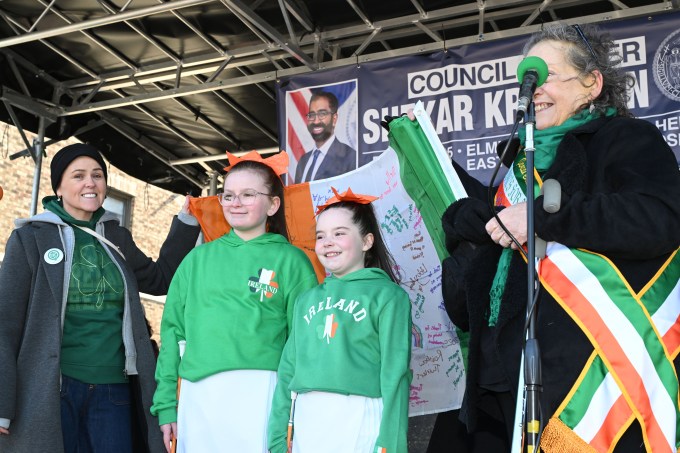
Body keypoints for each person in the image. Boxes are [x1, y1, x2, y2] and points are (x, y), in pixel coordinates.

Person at [441, 23, 680, 452]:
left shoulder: (625, 139)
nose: (531, 87)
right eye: (525, 79)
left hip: (586, 383)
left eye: (545, 75)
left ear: (591, 83)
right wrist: (466, 237)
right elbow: (472, 303)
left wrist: (544, 218)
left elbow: (658, 219)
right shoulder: (514, 168)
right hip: (497, 387)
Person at [0, 143, 201, 453]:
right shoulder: (31, 237)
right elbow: (5, 323)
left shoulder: (116, 237)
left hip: (114, 389)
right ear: (58, 186)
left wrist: (187, 223)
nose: (90, 183)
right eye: (78, 175)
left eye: (97, 175)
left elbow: (160, 280)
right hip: (52, 389)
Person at [151, 152, 318, 453]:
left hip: (265, 396)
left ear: (273, 204)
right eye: (228, 195)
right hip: (197, 396)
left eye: (248, 194)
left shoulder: (293, 262)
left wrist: (297, 411)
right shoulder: (196, 260)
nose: (235, 203)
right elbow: (172, 334)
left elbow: (304, 344)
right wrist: (166, 404)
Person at [268, 187, 412, 453]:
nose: (327, 242)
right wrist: (277, 436)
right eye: (321, 236)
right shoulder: (306, 300)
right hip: (307, 419)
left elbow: (396, 375)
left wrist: (392, 443)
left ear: (367, 242)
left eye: (339, 234)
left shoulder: (389, 296)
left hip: (359, 417)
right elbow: (288, 370)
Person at [294, 91, 358, 183]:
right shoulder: (303, 161)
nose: (316, 121)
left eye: (322, 114)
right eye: (311, 115)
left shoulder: (350, 157)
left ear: (334, 118)